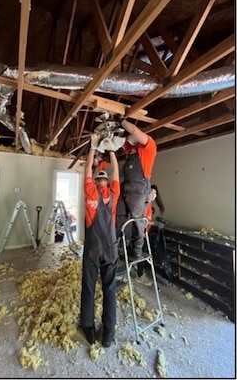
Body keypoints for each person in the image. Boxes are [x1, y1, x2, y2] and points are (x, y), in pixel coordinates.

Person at [80, 141, 120, 348]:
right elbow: (116, 173)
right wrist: (112, 151)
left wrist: (93, 148)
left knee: (88, 286)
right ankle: (108, 334)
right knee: (109, 288)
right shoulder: (113, 195)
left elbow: (87, 168)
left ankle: (88, 327)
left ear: (95, 181)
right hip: (111, 248)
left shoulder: (90, 192)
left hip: (93, 247)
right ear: (107, 182)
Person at [116, 117, 157, 259]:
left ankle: (137, 248)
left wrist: (122, 121)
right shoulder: (131, 150)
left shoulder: (149, 146)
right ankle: (118, 245)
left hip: (139, 188)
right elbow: (121, 144)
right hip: (126, 186)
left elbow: (133, 130)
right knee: (119, 216)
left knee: (137, 220)